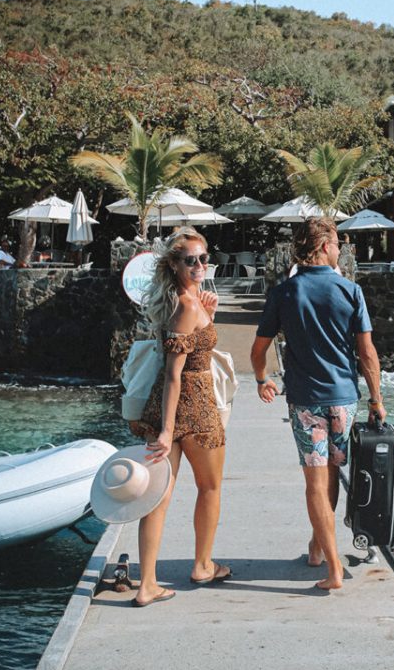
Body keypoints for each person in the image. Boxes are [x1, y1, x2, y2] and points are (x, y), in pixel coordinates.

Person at [251, 217, 386, 591]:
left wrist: (263, 380)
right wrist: (377, 399)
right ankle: (324, 556)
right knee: (331, 475)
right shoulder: (350, 291)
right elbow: (367, 353)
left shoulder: (284, 293)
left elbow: (258, 349)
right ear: (325, 246)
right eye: (338, 243)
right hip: (344, 400)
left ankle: (326, 561)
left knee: (315, 478)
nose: (340, 249)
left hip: (306, 402)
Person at [128, 226, 230, 607]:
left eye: (204, 258)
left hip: (165, 409)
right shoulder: (187, 306)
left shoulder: (182, 301)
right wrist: (169, 430)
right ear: (173, 264)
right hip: (196, 410)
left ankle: (147, 584)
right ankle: (203, 565)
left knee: (158, 498)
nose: (200, 265)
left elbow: (187, 350)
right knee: (210, 488)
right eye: (191, 260)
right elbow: (175, 372)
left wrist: (210, 314)